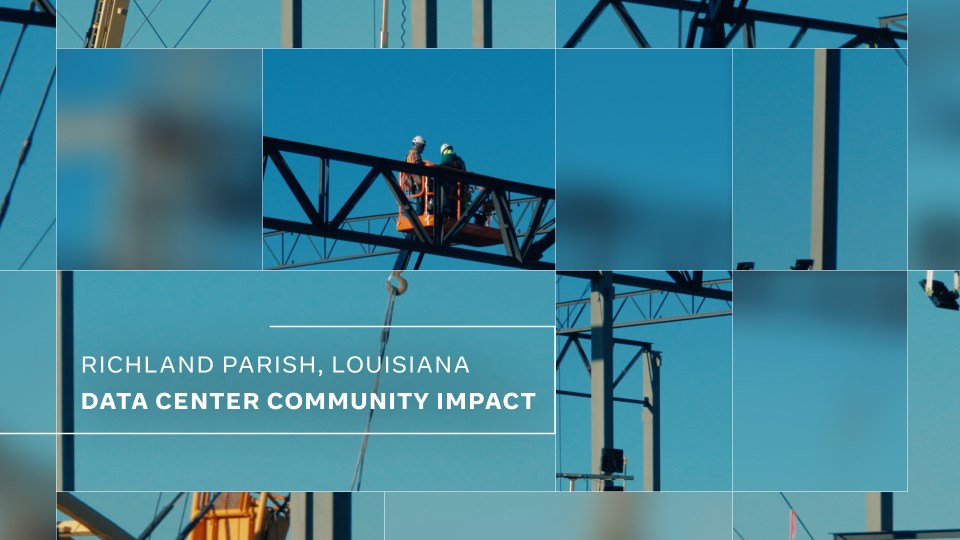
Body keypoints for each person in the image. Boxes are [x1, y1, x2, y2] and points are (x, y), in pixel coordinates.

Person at [437, 143, 469, 219]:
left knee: (448, 200)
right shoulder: (460, 160)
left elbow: (440, 169)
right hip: (461, 187)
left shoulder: (446, 157)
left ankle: (447, 213)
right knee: (459, 203)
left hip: (450, 186)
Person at [402, 135, 427, 214]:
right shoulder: (414, 153)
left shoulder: (410, 153)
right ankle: (419, 214)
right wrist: (419, 182)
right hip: (415, 178)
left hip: (411, 179)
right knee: (420, 196)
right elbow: (415, 167)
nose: (423, 148)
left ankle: (418, 213)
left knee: (419, 196)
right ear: (419, 145)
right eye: (422, 146)